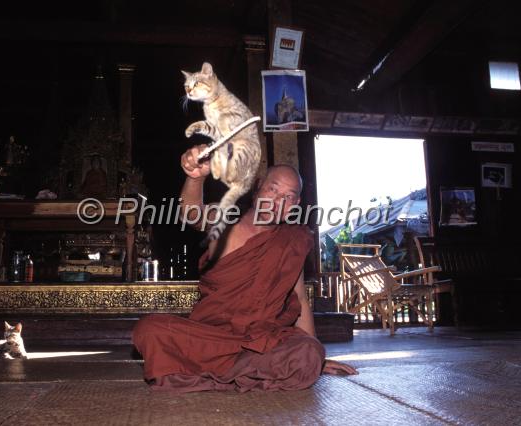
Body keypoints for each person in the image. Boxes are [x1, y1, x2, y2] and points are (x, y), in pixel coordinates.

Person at [132, 145, 357, 392]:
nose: (277, 201)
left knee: (309, 352)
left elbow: (300, 300)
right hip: (211, 337)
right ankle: (244, 372)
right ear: (258, 187)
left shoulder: (292, 240)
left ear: (296, 204)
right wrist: (196, 178)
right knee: (150, 329)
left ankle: (217, 372)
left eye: (288, 196)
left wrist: (319, 358)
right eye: (273, 190)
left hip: (261, 342)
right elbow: (192, 213)